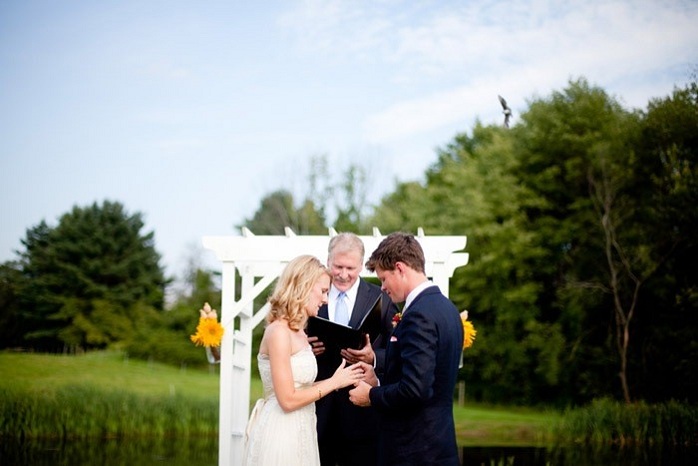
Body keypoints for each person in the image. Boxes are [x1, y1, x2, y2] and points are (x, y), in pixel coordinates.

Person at [348, 232, 464, 466]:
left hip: (414, 451)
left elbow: (415, 389)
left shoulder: (418, 314)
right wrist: (377, 381)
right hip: (439, 446)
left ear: (400, 268)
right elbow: (424, 378)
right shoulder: (447, 308)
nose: (382, 288)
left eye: (383, 278)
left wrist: (370, 395)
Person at [243, 255, 364, 466]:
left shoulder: (299, 333)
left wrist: (339, 380)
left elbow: (301, 387)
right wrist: (333, 383)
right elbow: (288, 400)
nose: (326, 299)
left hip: (303, 428)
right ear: (303, 287)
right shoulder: (278, 331)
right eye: (323, 291)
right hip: (281, 431)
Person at [308, 232, 398, 466]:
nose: (343, 274)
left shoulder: (382, 298)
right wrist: (303, 347)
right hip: (317, 410)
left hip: (363, 414)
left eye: (351, 268)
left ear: (361, 265)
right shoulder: (310, 295)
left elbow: (399, 352)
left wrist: (373, 357)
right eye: (338, 266)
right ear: (328, 261)